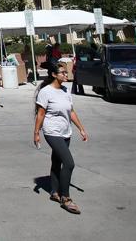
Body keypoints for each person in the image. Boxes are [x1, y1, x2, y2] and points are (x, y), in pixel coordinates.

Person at [33, 62, 89, 215]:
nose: (66, 75)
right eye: (62, 72)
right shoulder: (45, 92)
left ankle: (54, 192)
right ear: (53, 75)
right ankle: (66, 198)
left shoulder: (65, 90)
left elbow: (71, 112)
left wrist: (81, 129)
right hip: (52, 131)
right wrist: (36, 133)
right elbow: (41, 114)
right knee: (69, 163)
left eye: (66, 72)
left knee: (57, 161)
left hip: (66, 131)